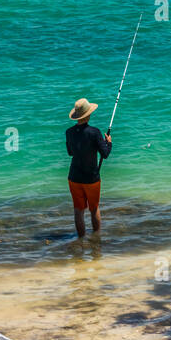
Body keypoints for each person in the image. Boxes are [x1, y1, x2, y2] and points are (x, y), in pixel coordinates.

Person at [65, 97, 112, 237]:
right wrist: (108, 143)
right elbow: (105, 154)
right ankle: (96, 240)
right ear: (89, 114)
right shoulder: (94, 132)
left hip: (74, 177)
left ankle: (80, 239)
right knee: (94, 208)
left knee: (78, 210)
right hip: (91, 178)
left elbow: (70, 153)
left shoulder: (69, 132)